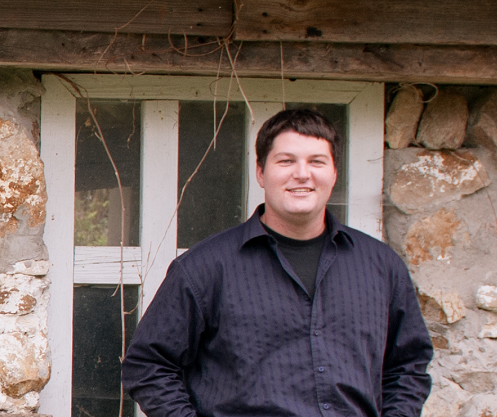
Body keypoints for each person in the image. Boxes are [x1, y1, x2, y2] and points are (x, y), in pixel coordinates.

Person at [122, 109, 433, 417]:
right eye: (286, 161)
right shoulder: (204, 268)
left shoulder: (381, 266)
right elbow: (149, 366)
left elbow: (408, 367)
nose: (302, 173)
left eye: (316, 161)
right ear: (261, 172)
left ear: (334, 173)